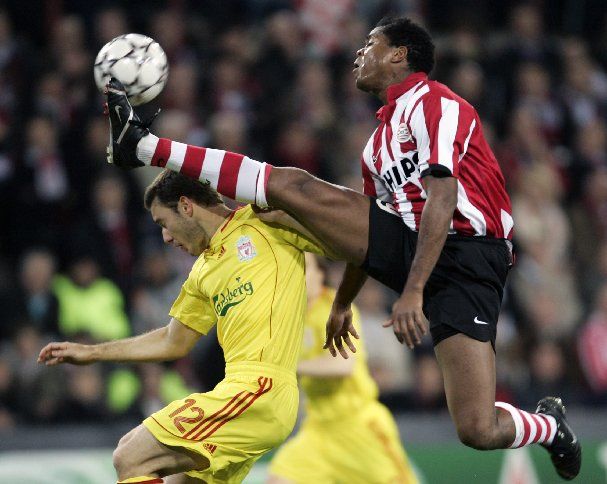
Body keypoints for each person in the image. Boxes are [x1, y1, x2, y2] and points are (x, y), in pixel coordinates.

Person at [104, 16, 581, 481]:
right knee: (287, 197)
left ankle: (549, 425)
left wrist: (412, 291)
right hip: (413, 245)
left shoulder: (439, 104)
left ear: (399, 54)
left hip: (469, 253)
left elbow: (443, 198)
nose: (359, 53)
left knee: (477, 428)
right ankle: (144, 147)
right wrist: (343, 302)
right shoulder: (376, 146)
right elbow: (369, 236)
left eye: (370, 44)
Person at [38, 170, 328, 484]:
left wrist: (342, 301)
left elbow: (348, 239)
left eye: (163, 223)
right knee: (182, 480)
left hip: (260, 389)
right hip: (245, 395)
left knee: (130, 455)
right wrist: (92, 353)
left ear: (186, 206)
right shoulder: (203, 271)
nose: (165, 237)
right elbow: (171, 341)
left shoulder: (263, 223)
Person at [267, 254, 417, 484]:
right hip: (318, 429)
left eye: (304, 268)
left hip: (358, 427)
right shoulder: (286, 320)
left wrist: (291, 366)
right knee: (279, 479)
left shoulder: (337, 308)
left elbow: (342, 364)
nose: (296, 276)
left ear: (320, 274)